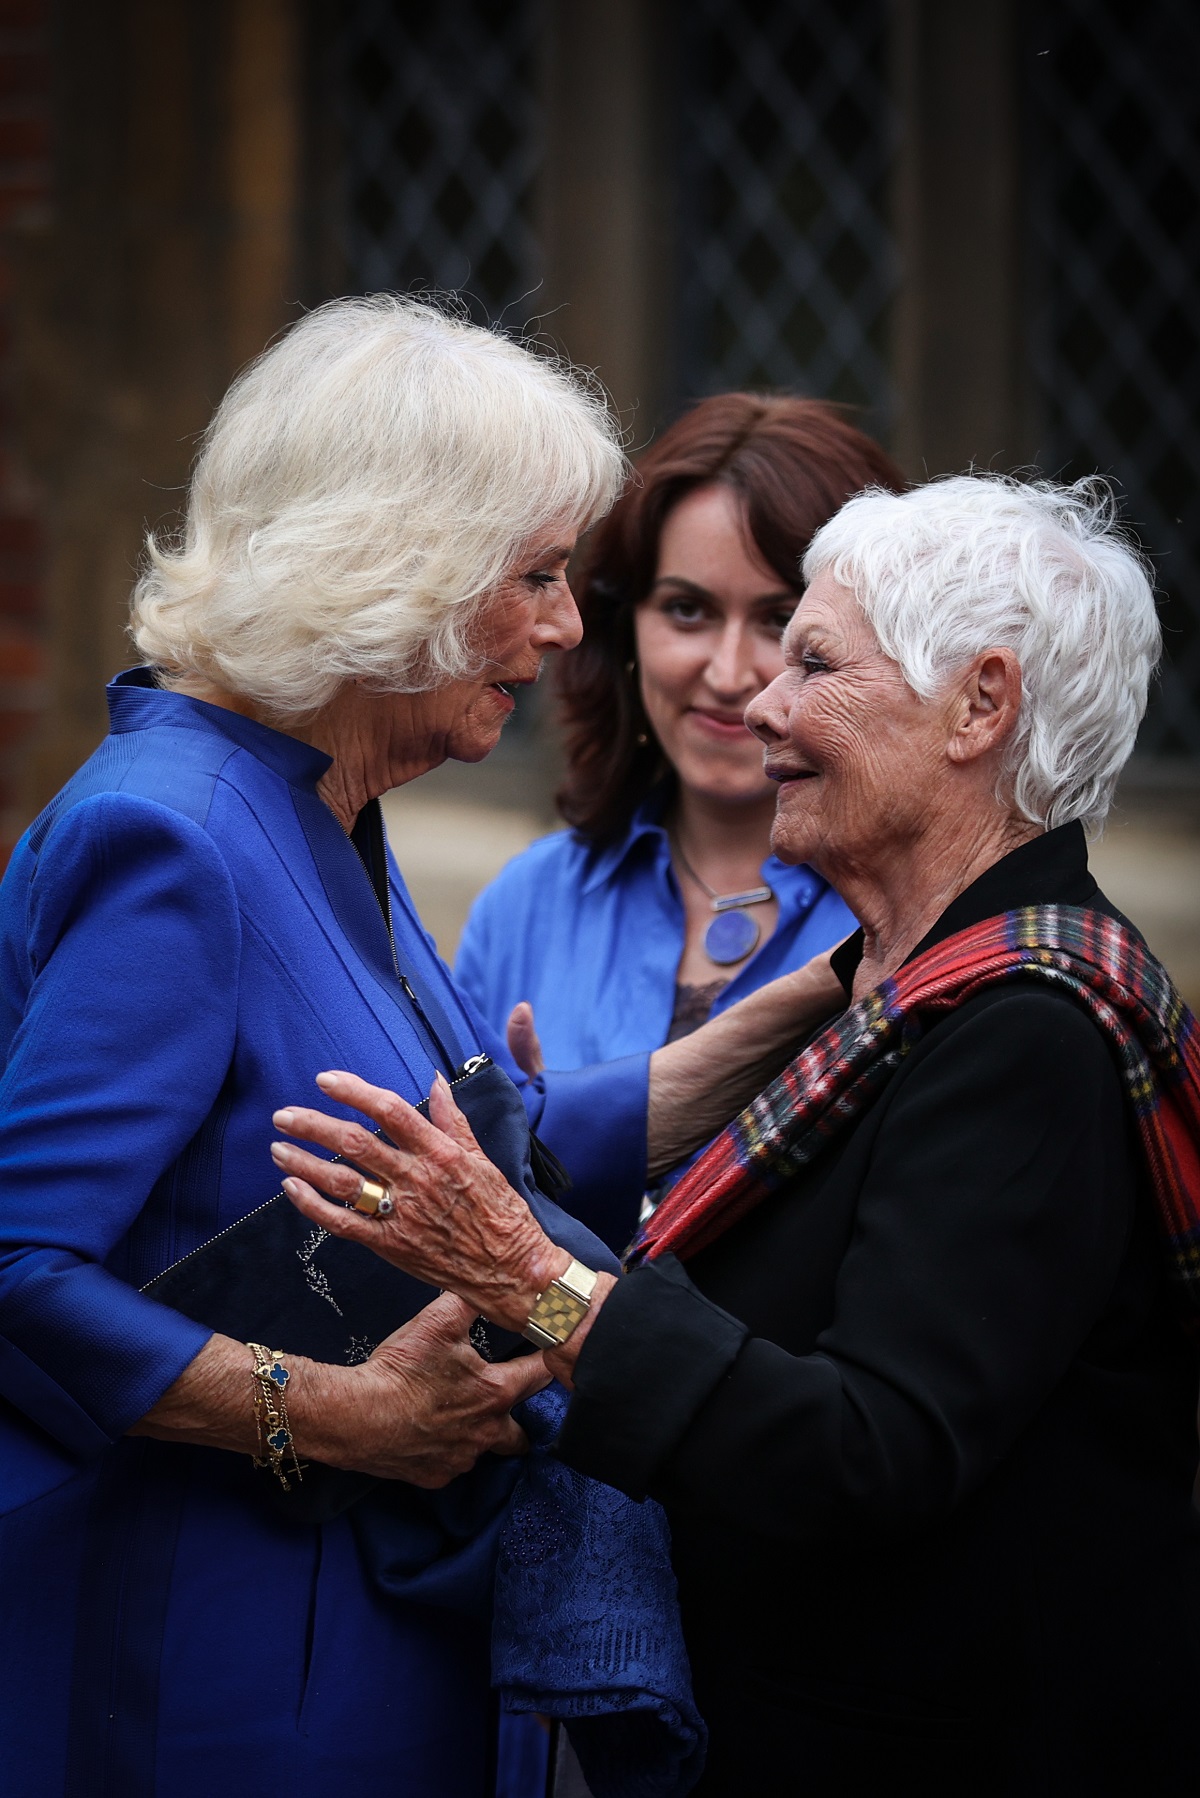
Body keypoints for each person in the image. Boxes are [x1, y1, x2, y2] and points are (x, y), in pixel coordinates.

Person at [0, 296, 844, 1797]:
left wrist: (776, 1038)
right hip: (222, 1665)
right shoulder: (177, 835)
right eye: (533, 576)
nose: (568, 626)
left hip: (372, 1638)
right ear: (392, 568)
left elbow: (452, 1157)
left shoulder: (322, 803)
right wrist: (335, 1413)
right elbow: (18, 1264)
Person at [275, 474, 1200, 1797]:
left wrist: (531, 1281)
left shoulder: (1025, 1035)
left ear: (980, 706)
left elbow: (868, 1448)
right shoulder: (906, 984)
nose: (759, 704)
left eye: (813, 661)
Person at [457, 395, 903, 1079]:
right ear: (623, 629)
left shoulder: (913, 917)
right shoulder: (525, 907)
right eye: (687, 610)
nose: (728, 675)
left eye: (780, 619)